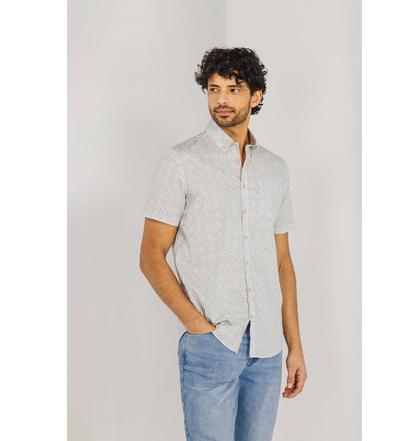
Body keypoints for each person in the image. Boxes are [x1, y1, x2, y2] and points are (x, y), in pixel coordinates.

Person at [139, 47, 307, 441]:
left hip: (268, 348)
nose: (221, 100)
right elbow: (151, 256)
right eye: (214, 89)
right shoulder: (181, 161)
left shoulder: (275, 169)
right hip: (213, 344)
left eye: (234, 89)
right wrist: (197, 326)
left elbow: (282, 263)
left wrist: (294, 346)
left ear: (256, 96)